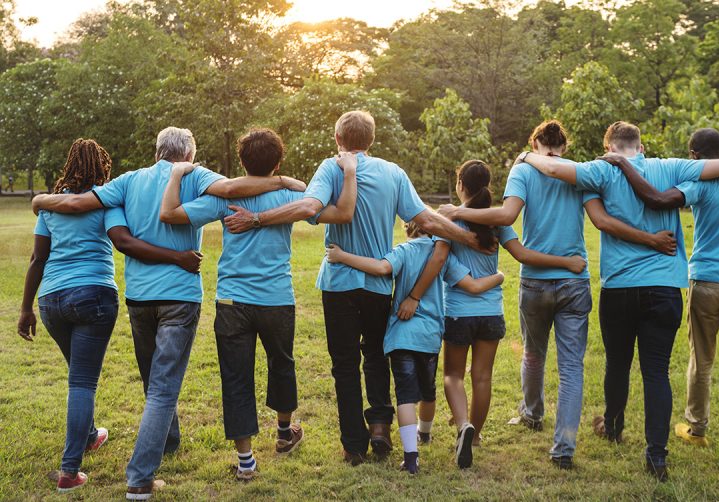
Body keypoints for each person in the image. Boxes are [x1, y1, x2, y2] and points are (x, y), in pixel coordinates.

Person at [31, 127, 306, 500]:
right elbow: (232, 190)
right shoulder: (195, 175)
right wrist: (283, 181)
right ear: (189, 154)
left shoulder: (128, 181)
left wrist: (41, 200)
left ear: (158, 151)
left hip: (139, 297)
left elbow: (80, 207)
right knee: (163, 389)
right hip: (179, 294)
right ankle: (140, 478)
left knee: (152, 381)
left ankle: (169, 440)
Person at [223, 111, 484, 465]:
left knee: (344, 364)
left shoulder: (332, 168)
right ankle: (379, 425)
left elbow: (308, 207)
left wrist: (256, 218)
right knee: (376, 355)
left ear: (337, 138)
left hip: (339, 282)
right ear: (371, 140)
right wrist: (468, 237)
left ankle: (354, 444)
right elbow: (425, 219)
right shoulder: (393, 173)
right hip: (378, 282)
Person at [438, 121, 677, 469]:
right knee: (571, 367)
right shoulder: (579, 173)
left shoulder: (523, 171)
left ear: (534, 143)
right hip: (574, 281)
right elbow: (599, 218)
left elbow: (506, 215)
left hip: (534, 281)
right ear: (564, 147)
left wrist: (457, 212)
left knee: (533, 355)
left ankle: (532, 414)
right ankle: (564, 447)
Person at [519, 121, 719, 480]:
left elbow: (552, 166)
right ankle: (656, 455)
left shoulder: (602, 170)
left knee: (617, 363)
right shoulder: (669, 166)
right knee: (655, 371)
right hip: (665, 287)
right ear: (640, 147)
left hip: (620, 287)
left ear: (609, 147)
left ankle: (612, 425)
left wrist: (525, 156)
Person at [159, 128, 359, 480]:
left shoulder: (225, 197)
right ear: (278, 161)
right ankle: (284, 433)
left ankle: (246, 461)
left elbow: (172, 214)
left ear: (241, 161)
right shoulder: (289, 193)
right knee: (282, 364)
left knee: (236, 377)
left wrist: (176, 176)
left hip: (232, 300)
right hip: (277, 298)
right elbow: (337, 212)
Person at [17, 139, 204, 493]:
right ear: (102, 167)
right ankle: (69, 471)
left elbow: (37, 258)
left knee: (78, 374)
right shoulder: (108, 199)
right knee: (82, 382)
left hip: (52, 300)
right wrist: (177, 256)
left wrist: (26, 308)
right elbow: (123, 240)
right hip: (93, 297)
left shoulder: (52, 206)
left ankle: (89, 435)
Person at [599, 128, 719, 481]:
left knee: (702, 358)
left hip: (708, 280)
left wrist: (622, 163)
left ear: (694, 158)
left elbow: (657, 199)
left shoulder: (700, 185)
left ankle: (697, 428)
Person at [415, 158, 585, 469]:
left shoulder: (451, 220)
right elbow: (522, 254)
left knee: (453, 375)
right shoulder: (497, 223)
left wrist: (414, 295)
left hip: (458, 313)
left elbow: (438, 256)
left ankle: (463, 424)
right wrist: (567, 262)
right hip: (491, 313)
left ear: (460, 186)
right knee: (482, 377)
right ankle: (475, 435)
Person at [325, 217, 504, 474]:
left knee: (406, 397)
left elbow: (379, 268)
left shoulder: (403, 251)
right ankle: (425, 433)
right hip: (429, 337)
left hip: (401, 336)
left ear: (409, 228)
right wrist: (498, 276)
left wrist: (342, 256)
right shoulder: (442, 255)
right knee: (428, 392)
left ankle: (411, 458)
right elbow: (473, 285)